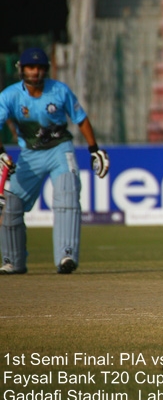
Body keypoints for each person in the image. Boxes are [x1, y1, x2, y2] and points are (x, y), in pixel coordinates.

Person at [0, 48, 110, 275]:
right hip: (30, 154)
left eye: (39, 68)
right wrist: (1, 153)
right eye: (30, 67)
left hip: (60, 149)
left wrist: (94, 149)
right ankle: (13, 261)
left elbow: (80, 119)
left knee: (67, 193)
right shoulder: (9, 96)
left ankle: (66, 255)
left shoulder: (59, 90)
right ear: (21, 69)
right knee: (11, 205)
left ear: (46, 70)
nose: (35, 72)